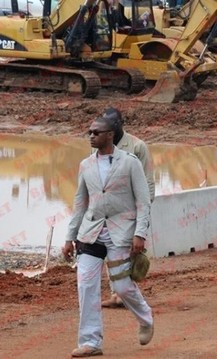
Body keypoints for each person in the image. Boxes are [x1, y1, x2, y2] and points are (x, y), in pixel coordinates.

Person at [62, 116, 153, 357]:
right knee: (86, 285)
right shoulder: (85, 165)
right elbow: (80, 203)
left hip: (121, 232)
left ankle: (145, 319)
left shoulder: (130, 163)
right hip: (91, 233)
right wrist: (69, 237)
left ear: (110, 135)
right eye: (89, 132)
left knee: (122, 287)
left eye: (96, 132)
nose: (91, 136)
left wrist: (140, 233)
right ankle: (91, 342)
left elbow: (143, 202)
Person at [101, 107, 155, 309]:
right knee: (112, 252)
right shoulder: (99, 145)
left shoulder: (137, 147)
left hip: (131, 211)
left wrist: (143, 217)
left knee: (131, 254)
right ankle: (117, 294)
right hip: (108, 211)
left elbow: (148, 183)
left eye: (111, 128)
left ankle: (128, 295)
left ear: (120, 125)